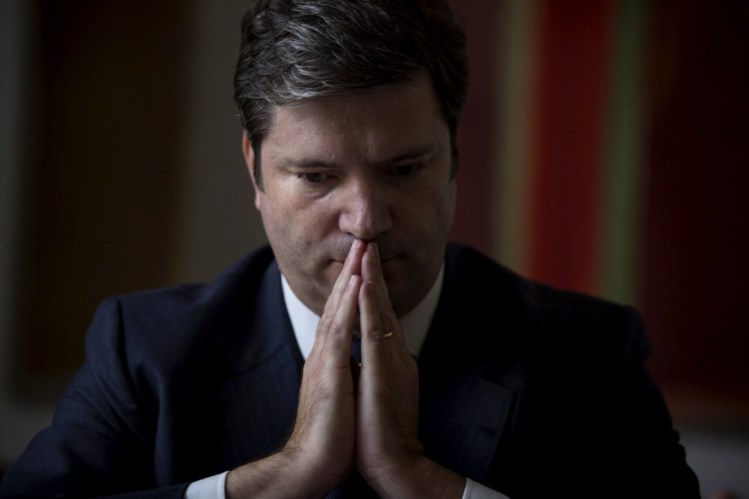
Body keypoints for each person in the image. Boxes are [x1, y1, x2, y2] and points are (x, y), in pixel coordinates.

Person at [0, 0, 701, 498]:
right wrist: (280, 479)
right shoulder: (144, 351)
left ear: (453, 158)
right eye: (315, 176)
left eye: (404, 169)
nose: (366, 220)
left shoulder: (590, 355)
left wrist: (423, 483)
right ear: (255, 171)